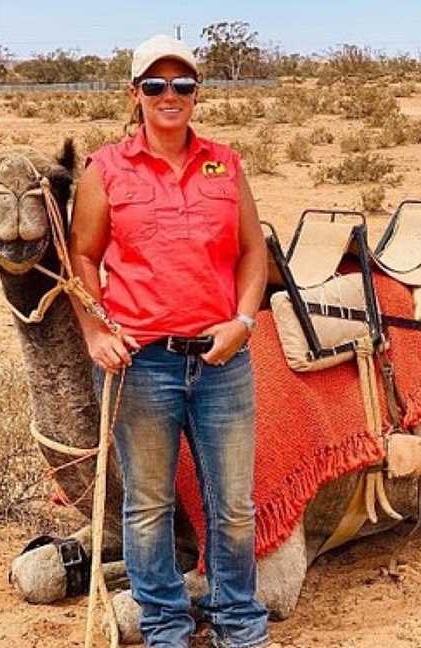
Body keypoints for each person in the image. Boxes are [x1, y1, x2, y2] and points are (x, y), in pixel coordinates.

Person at [68, 35, 279, 648]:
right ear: (135, 95)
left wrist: (243, 321)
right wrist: (95, 328)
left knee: (234, 504)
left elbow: (252, 252)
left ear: (196, 94)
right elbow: (83, 255)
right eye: (156, 86)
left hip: (222, 360)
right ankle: (165, 627)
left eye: (182, 86)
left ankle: (238, 621)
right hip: (143, 365)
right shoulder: (107, 169)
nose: (170, 96)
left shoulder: (225, 163)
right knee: (149, 505)